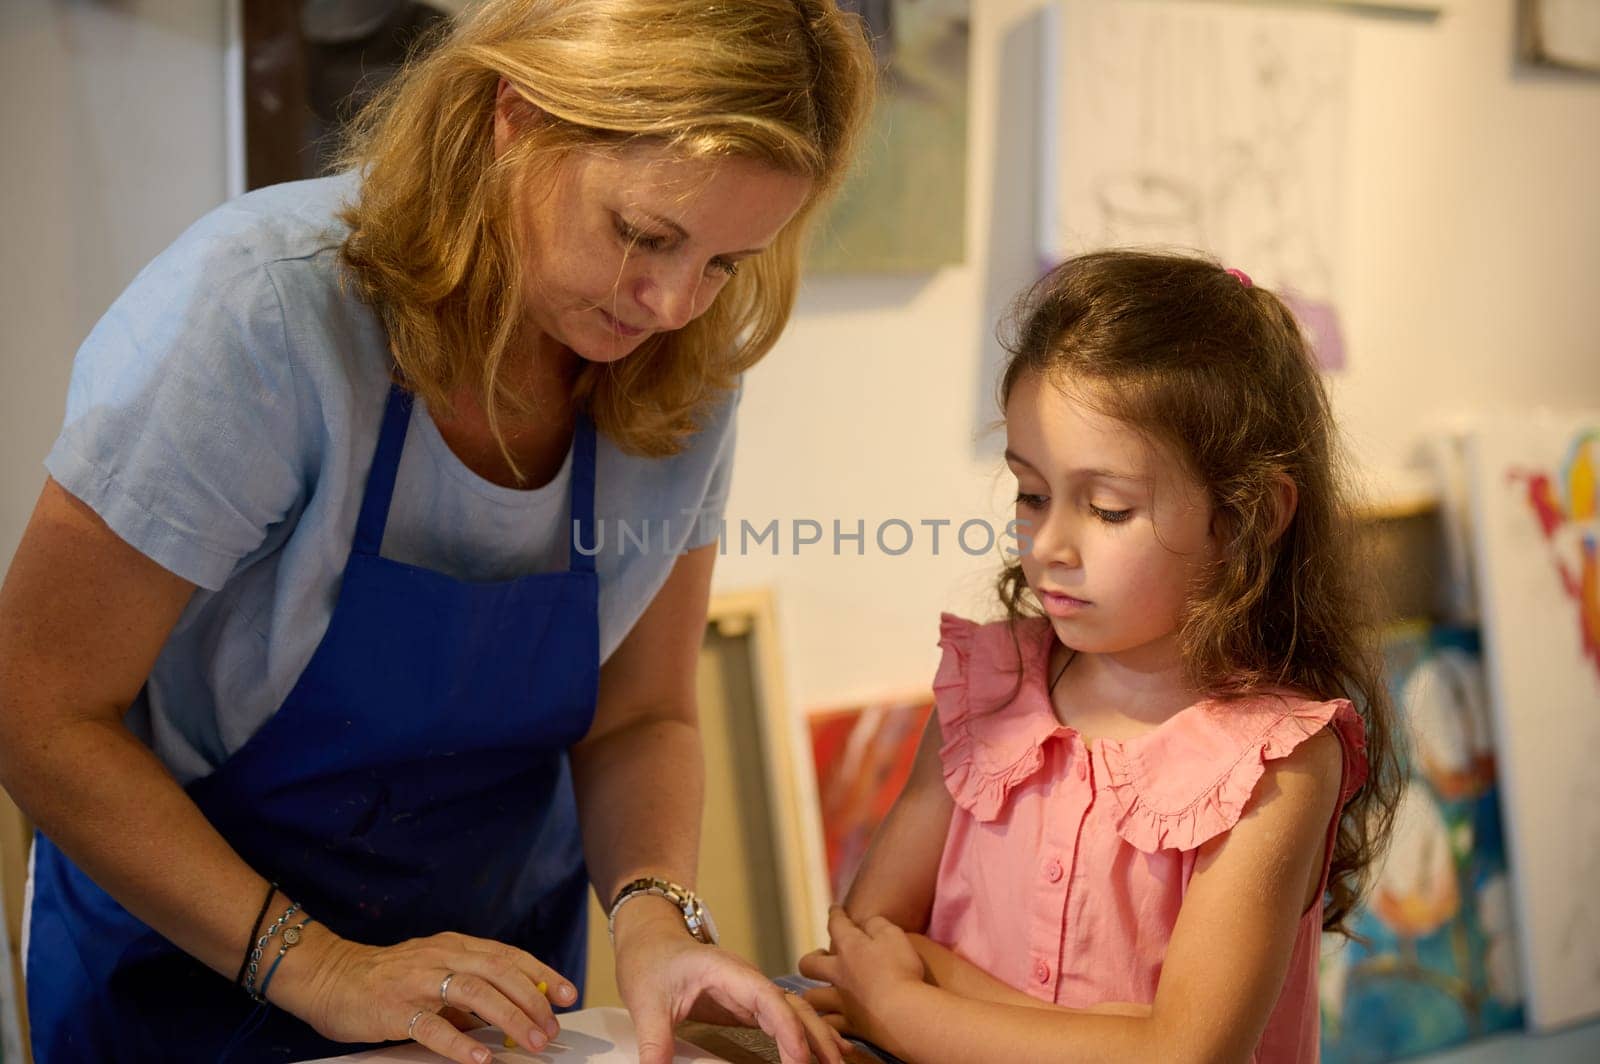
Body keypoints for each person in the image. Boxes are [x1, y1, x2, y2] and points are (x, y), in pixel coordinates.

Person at [0, 2, 874, 1063]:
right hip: (181, 976)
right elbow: (37, 707)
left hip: (483, 1002)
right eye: (644, 235)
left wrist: (656, 916)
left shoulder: (684, 374)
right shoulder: (261, 314)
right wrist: (321, 965)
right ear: (516, 114)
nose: (673, 301)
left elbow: (641, 715)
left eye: (730, 261)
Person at [798, 251, 1404, 1062]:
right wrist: (1112, 1036)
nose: (1048, 546)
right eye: (1031, 494)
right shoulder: (989, 691)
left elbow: (1185, 1055)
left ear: (1248, 517)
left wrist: (909, 1005)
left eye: (1109, 508)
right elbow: (863, 940)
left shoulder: (1276, 767)